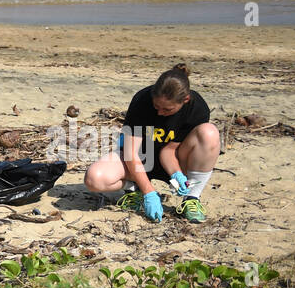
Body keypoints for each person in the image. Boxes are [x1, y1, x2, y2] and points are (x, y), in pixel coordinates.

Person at [83, 63, 219, 223]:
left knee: (209, 132)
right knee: (94, 179)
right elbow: (130, 152)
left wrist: (177, 175)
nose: (160, 113)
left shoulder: (197, 108)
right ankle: (134, 188)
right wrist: (149, 192)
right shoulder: (142, 100)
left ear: (185, 100)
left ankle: (191, 198)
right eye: (156, 106)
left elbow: (169, 151)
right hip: (140, 159)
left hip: (175, 159)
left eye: (168, 109)